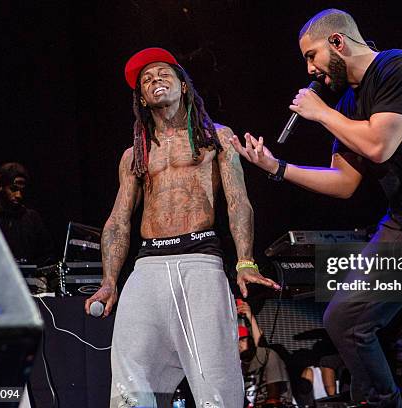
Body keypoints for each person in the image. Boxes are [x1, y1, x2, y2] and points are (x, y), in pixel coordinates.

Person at [229, 9, 402, 407]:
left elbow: (378, 144)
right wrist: (276, 168)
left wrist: (321, 113)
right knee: (345, 318)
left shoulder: (401, 67)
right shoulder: (350, 103)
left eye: (311, 55)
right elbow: (343, 183)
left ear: (337, 42)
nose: (310, 69)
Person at [84, 47, 279, 408]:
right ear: (141, 98)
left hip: (200, 259)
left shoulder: (216, 138)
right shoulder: (135, 154)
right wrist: (109, 280)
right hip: (148, 266)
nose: (154, 80)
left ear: (184, 86)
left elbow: (238, 202)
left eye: (162, 74)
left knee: (214, 377)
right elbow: (118, 220)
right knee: (131, 377)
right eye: (146, 79)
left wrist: (246, 261)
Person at [0, 162, 54, 266]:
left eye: (21, 190)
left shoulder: (32, 218)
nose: (19, 195)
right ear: (0, 186)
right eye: (13, 189)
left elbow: (47, 255)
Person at [237, 300, 293, 407]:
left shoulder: (267, 356)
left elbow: (273, 398)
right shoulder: (235, 363)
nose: (239, 345)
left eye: (243, 340)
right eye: (237, 341)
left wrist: (250, 316)